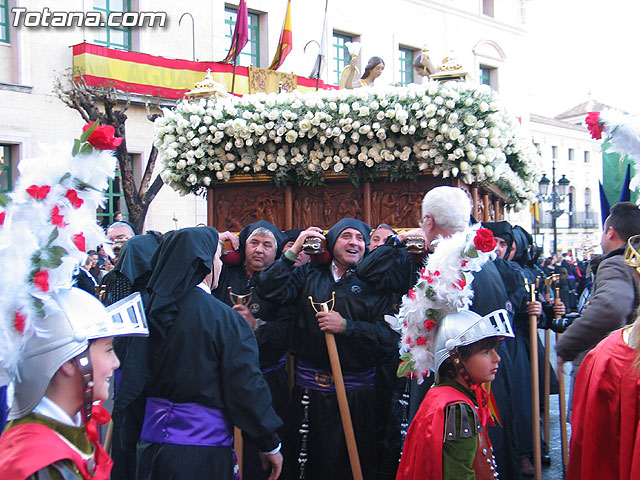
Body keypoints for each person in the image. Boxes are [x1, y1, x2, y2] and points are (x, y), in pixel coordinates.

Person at [0, 127, 148, 479]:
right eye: (108, 349)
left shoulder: (60, 436)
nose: (114, 363)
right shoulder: (36, 460)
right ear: (69, 360)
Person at [356, 187, 521, 480]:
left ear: (427, 222)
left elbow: (428, 342)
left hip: (455, 400)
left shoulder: (447, 268)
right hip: (484, 386)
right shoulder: (483, 259)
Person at [134, 227, 283, 480]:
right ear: (205, 263)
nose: (220, 264)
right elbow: (244, 386)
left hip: (146, 447)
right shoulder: (223, 318)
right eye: (217, 258)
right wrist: (268, 442)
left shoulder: (144, 309)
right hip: (200, 453)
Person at [257, 218, 398, 480]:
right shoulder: (307, 274)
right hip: (310, 393)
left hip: (358, 396)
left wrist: (347, 327)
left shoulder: (378, 284)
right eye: (346, 236)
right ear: (332, 242)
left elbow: (389, 339)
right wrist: (294, 250)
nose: (353, 242)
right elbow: (269, 290)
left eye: (359, 237)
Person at [397, 308, 515, 480]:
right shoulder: (458, 409)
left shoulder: (442, 394)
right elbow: (459, 474)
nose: (497, 358)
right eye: (486, 352)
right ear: (456, 358)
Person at [215, 220, 292, 480]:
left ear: (278, 250)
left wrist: (256, 326)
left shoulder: (285, 281)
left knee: (264, 454)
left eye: (267, 245)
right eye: (254, 243)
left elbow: (289, 329)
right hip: (225, 378)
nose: (259, 250)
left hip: (267, 379)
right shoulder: (224, 273)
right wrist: (217, 240)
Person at [557, 201, 640, 365]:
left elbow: (611, 307)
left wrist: (567, 345)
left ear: (610, 232)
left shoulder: (617, 263)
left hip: (617, 367)